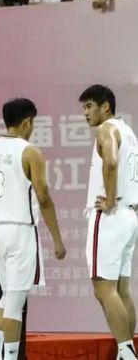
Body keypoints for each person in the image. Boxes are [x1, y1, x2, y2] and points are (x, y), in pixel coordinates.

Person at [0, 98, 66, 360]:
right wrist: (57, 239)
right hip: (19, 231)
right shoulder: (30, 152)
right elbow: (44, 198)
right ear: (27, 122)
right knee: (15, 302)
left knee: (8, 296)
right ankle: (9, 357)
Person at [79, 85, 138, 360]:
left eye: (89, 106)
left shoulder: (106, 129)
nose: (85, 113)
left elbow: (111, 162)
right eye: (84, 108)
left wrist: (111, 199)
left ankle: (126, 352)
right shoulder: (129, 132)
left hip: (111, 216)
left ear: (106, 107)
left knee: (103, 287)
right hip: (129, 216)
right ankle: (126, 351)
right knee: (121, 290)